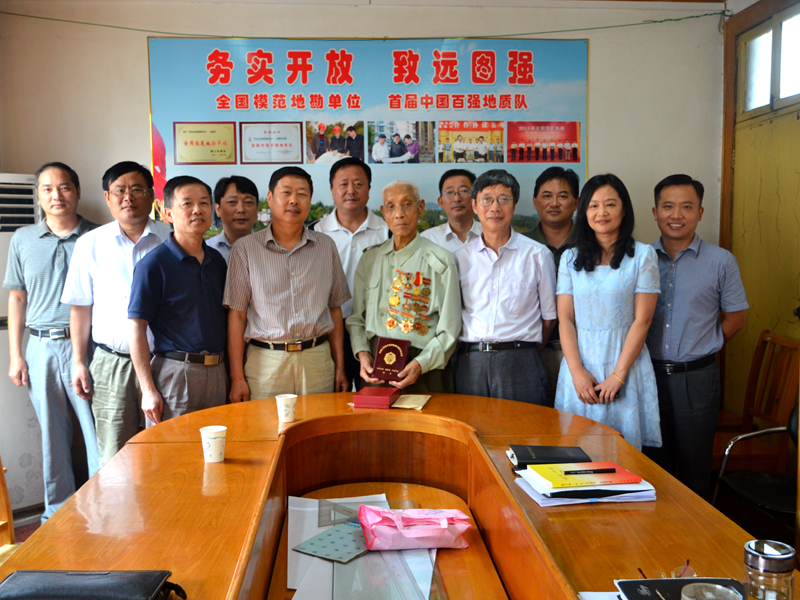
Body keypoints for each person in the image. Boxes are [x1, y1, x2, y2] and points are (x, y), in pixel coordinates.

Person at [3, 162, 99, 523]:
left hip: (89, 346)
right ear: (38, 196)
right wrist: (16, 355)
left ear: (77, 191)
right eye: (47, 189)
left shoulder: (98, 236)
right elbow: (17, 297)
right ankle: (56, 513)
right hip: (40, 346)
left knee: (96, 432)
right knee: (52, 436)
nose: (56, 196)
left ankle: (106, 507)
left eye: (64, 187)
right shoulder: (23, 239)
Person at [643, 174, 748, 499]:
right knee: (651, 466)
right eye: (668, 206)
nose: (676, 215)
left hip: (698, 379)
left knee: (695, 469)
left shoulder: (721, 261)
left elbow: (736, 318)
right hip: (648, 376)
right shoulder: (640, 259)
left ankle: (698, 531)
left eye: (686, 207)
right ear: (655, 212)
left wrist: (705, 345)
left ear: (700, 213)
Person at [62, 161, 172, 466]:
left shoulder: (173, 239)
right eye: (119, 191)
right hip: (112, 363)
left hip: (165, 363)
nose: (128, 197)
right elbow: (80, 309)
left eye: (137, 190)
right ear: (107, 197)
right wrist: (78, 361)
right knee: (114, 454)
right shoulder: (89, 244)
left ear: (152, 195)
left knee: (167, 449)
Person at [554, 174, 662, 451]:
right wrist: (577, 372)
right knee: (577, 453)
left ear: (624, 210)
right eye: (593, 205)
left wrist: (618, 375)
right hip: (580, 366)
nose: (601, 212)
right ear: (584, 212)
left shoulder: (643, 255)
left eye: (610, 204)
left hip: (625, 365)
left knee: (624, 454)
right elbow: (565, 319)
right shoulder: (569, 258)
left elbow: (643, 320)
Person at [224, 167, 350, 401]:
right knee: (266, 424)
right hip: (266, 362)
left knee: (320, 423)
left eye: (302, 194)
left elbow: (334, 309)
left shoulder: (326, 246)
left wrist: (340, 366)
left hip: (317, 360)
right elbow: (237, 316)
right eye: (286, 192)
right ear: (270, 198)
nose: (294, 200)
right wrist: (237, 378)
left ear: (309, 201)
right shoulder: (245, 249)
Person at [128, 176, 228, 427]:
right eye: (187, 204)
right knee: (174, 448)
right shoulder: (153, 265)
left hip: (218, 371)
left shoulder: (217, 261)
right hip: (176, 373)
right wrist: (148, 390)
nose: (197, 210)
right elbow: (136, 328)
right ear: (168, 214)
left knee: (219, 447)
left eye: (204, 203)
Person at [452, 170, 556, 404]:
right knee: (470, 425)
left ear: (514, 204)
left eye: (503, 199)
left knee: (523, 426)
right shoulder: (459, 258)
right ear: (474, 206)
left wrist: (521, 351)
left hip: (521, 360)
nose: (495, 208)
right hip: (471, 362)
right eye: (487, 200)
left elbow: (549, 318)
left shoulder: (538, 255)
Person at [347, 180, 461, 393]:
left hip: (424, 364)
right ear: (383, 212)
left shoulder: (440, 261)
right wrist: (362, 353)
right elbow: (356, 319)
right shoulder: (370, 259)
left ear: (421, 208)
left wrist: (422, 363)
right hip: (376, 363)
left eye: (407, 204)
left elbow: (450, 328)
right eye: (391, 207)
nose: (399, 214)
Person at [311, 158, 390, 390]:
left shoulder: (387, 230)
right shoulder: (315, 232)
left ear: (369, 189)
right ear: (332, 190)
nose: (351, 191)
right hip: (329, 332)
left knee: (376, 395)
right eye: (343, 184)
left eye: (358, 184)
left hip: (375, 332)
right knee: (333, 397)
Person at [525, 167, 579, 405]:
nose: (554, 203)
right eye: (547, 196)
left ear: (576, 203)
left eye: (563, 196)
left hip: (583, 352)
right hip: (533, 353)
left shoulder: (593, 244)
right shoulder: (521, 246)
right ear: (535, 202)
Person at [421, 169, 482, 253]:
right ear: (440, 202)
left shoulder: (492, 235)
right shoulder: (427, 240)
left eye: (463, 191)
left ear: (475, 199)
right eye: (449, 192)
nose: (457, 199)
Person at [206, 175, 258, 263]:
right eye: (232, 202)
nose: (241, 209)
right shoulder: (206, 250)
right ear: (218, 209)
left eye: (248, 202)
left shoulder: (271, 250)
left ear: (257, 208)